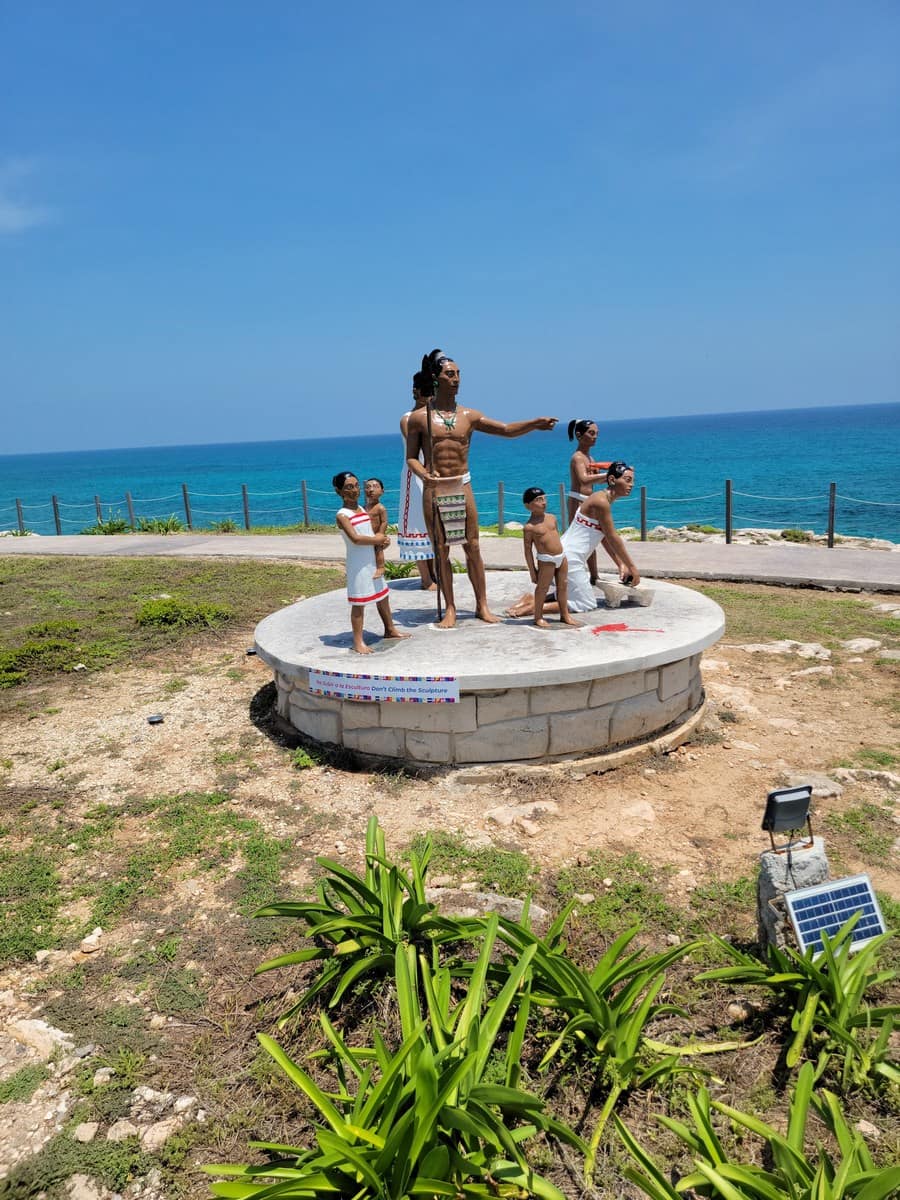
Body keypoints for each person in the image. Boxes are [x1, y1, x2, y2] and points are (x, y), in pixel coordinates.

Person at [405, 348, 558, 628]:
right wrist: (424, 474)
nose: (456, 379)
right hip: (436, 488)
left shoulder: (469, 415)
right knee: (441, 549)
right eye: (450, 374)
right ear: (436, 379)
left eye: (458, 374)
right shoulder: (419, 418)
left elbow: (507, 429)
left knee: (472, 546)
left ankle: (482, 605)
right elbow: (412, 457)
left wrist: (534, 423)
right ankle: (450, 607)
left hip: (462, 484)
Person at [506, 462, 640, 618]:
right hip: (570, 560)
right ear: (612, 479)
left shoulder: (599, 499)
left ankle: (531, 599)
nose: (632, 485)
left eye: (632, 480)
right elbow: (613, 537)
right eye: (628, 479)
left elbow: (603, 536)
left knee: (571, 594)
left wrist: (621, 565)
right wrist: (632, 568)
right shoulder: (601, 502)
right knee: (585, 603)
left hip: (564, 554)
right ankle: (532, 608)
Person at [333, 471, 410, 654]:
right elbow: (356, 539)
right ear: (339, 491)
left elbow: (370, 532)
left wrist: (381, 542)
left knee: (382, 596)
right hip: (358, 564)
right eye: (349, 487)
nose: (355, 490)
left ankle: (389, 629)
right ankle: (358, 641)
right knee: (359, 603)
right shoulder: (342, 515)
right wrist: (378, 539)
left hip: (371, 561)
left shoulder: (361, 510)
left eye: (356, 485)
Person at [516, 486, 576, 629]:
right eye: (538, 500)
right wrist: (532, 570)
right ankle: (538, 616)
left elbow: (557, 536)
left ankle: (564, 614)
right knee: (542, 589)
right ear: (528, 505)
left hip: (561, 558)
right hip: (546, 560)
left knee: (563, 587)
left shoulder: (552, 518)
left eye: (544, 498)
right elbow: (527, 551)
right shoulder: (529, 527)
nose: (543, 502)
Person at [398, 373, 436, 590]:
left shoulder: (435, 415)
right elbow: (419, 445)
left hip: (434, 473)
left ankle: (436, 573)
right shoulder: (409, 418)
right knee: (419, 523)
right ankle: (426, 577)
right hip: (416, 475)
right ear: (416, 392)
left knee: (434, 524)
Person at [567, 418, 610, 585]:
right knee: (578, 540)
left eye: (596, 434)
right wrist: (607, 474)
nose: (595, 437)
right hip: (578, 501)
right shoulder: (578, 458)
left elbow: (593, 480)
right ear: (579, 435)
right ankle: (572, 573)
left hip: (588, 500)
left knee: (591, 540)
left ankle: (594, 575)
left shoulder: (590, 458)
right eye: (591, 433)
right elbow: (584, 480)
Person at [364, 477, 388, 579]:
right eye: (368, 487)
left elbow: (384, 521)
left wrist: (381, 533)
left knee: (378, 550)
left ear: (382, 491)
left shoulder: (380, 507)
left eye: (375, 487)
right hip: (367, 536)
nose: (371, 490)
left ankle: (381, 567)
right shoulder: (363, 507)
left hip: (377, 534)